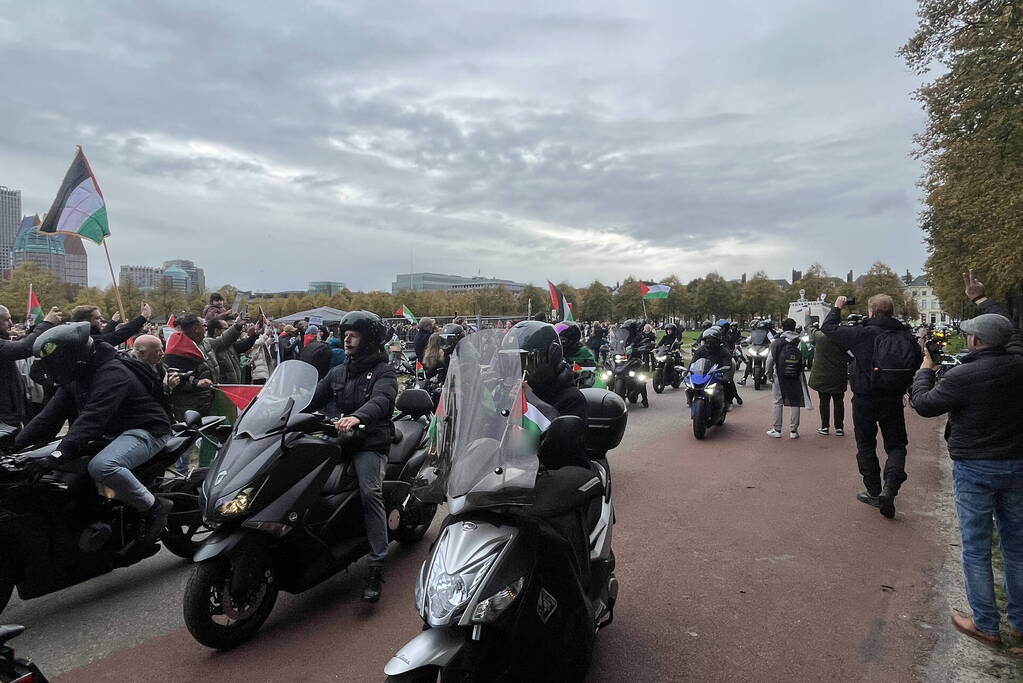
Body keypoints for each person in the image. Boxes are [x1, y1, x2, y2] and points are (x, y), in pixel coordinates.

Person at [910, 275, 1023, 646]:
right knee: (1017, 545)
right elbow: (1009, 329)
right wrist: (982, 299)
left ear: (975, 341)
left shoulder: (964, 374)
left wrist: (924, 372)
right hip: (1017, 462)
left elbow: (924, 405)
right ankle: (1020, 623)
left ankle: (986, 624)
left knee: (975, 546)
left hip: (975, 465)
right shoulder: (1018, 361)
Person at [15, 322, 173, 546]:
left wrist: (56, 456)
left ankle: (155, 507)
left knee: (102, 466)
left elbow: (92, 419)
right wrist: (14, 446)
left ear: (72, 357)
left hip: (145, 429)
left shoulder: (112, 374)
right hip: (111, 432)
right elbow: (48, 417)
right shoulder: (79, 374)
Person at [306, 311, 397, 603]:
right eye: (345, 334)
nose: (346, 339)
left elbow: (382, 400)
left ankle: (376, 562)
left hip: (370, 441)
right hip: (340, 440)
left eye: (354, 334)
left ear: (368, 340)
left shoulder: (384, 372)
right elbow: (313, 399)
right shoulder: (338, 371)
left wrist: (357, 417)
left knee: (370, 492)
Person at [822, 294, 922, 518]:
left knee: (866, 444)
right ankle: (891, 487)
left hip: (865, 398)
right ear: (891, 311)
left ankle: (874, 491)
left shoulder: (862, 333)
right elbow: (915, 361)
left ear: (872, 312)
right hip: (892, 398)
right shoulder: (904, 334)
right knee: (896, 445)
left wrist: (837, 307)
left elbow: (828, 328)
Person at [500, 321, 588, 468]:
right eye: (512, 362)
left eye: (526, 361)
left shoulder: (571, 398)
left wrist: (531, 400)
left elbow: (563, 450)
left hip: (554, 473)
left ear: (551, 357)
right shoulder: (507, 393)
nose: (519, 369)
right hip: (508, 473)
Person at [0, 305, 60, 427]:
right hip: (5, 419)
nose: (11, 323)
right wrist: (46, 323)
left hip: (10, 415)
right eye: (6, 319)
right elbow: (25, 348)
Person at [764, 318, 810, 439]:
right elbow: (805, 357)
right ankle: (793, 431)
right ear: (794, 327)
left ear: (782, 327)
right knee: (795, 401)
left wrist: (768, 374)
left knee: (777, 401)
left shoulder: (777, 342)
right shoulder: (800, 342)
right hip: (796, 375)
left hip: (779, 375)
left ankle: (777, 429)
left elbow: (769, 360)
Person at [808, 325, 848, 436]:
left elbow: (809, 329)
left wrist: (807, 316)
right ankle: (839, 427)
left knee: (824, 401)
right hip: (838, 375)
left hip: (823, 375)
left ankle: (825, 426)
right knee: (839, 401)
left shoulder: (820, 337)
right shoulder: (842, 338)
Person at [692, 327, 742, 406]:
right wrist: (687, 373)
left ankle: (734, 397)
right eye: (707, 340)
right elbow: (693, 363)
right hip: (705, 371)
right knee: (691, 385)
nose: (710, 342)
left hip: (719, 370)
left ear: (718, 340)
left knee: (728, 382)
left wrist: (726, 375)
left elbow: (727, 364)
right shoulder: (700, 350)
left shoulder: (723, 351)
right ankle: (692, 399)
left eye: (712, 340)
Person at [72, 302, 152, 347]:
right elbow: (115, 337)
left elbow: (103, 336)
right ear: (86, 322)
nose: (102, 320)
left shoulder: (80, 335)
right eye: (97, 318)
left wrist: (113, 322)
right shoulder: (84, 340)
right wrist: (142, 317)